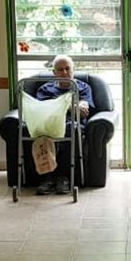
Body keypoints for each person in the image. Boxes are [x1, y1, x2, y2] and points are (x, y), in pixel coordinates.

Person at [34, 55, 94, 195]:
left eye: (68, 68)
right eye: (60, 70)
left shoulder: (83, 88)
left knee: (69, 128)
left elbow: (83, 111)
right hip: (50, 124)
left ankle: (63, 178)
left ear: (73, 69)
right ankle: (48, 179)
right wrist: (70, 106)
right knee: (42, 131)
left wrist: (61, 106)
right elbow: (42, 110)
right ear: (54, 72)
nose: (65, 72)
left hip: (72, 125)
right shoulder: (45, 89)